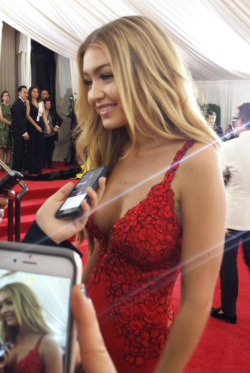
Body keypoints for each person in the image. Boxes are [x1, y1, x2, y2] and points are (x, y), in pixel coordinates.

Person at [23, 16, 226, 373]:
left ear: (146, 72)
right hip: (81, 339)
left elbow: (197, 300)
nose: (93, 94)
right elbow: (99, 254)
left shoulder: (196, 160)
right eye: (88, 80)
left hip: (139, 352)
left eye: (106, 75)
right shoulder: (110, 151)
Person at [211, 102, 250, 324]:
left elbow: (217, 182)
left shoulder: (228, 147)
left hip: (232, 217)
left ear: (242, 121)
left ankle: (229, 311)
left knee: (229, 266)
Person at [0, 282, 62, 372]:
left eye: (9, 303)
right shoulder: (6, 343)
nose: (4, 311)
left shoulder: (48, 343)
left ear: (25, 303)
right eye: (0, 307)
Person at [26, 87, 50, 175]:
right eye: (34, 92)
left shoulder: (41, 102)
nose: (35, 93)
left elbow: (44, 114)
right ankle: (31, 168)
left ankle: (38, 168)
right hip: (32, 126)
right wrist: (36, 126)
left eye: (37, 92)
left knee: (40, 147)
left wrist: (47, 126)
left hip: (40, 125)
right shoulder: (28, 102)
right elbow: (27, 115)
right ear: (30, 92)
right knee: (32, 147)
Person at [10, 86, 30, 172]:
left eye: (27, 93)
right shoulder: (17, 104)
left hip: (20, 131)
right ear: (19, 93)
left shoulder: (23, 103)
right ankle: (16, 170)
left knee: (21, 150)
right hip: (18, 132)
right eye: (24, 92)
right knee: (18, 151)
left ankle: (19, 169)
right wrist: (24, 133)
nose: (26, 94)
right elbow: (19, 120)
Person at [43, 97, 62, 169]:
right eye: (47, 104)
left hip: (52, 134)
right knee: (44, 149)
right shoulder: (41, 112)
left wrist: (56, 127)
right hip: (43, 134)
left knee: (50, 149)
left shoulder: (53, 112)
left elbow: (60, 120)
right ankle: (43, 162)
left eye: (49, 104)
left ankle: (49, 162)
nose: (48, 105)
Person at [0, 91, 13, 167]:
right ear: (2, 97)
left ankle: (8, 163)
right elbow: (1, 118)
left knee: (10, 145)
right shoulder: (0, 106)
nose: (6, 97)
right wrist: (10, 123)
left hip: (10, 128)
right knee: (1, 146)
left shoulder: (12, 106)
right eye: (4, 95)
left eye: (8, 95)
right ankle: (3, 163)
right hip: (2, 127)